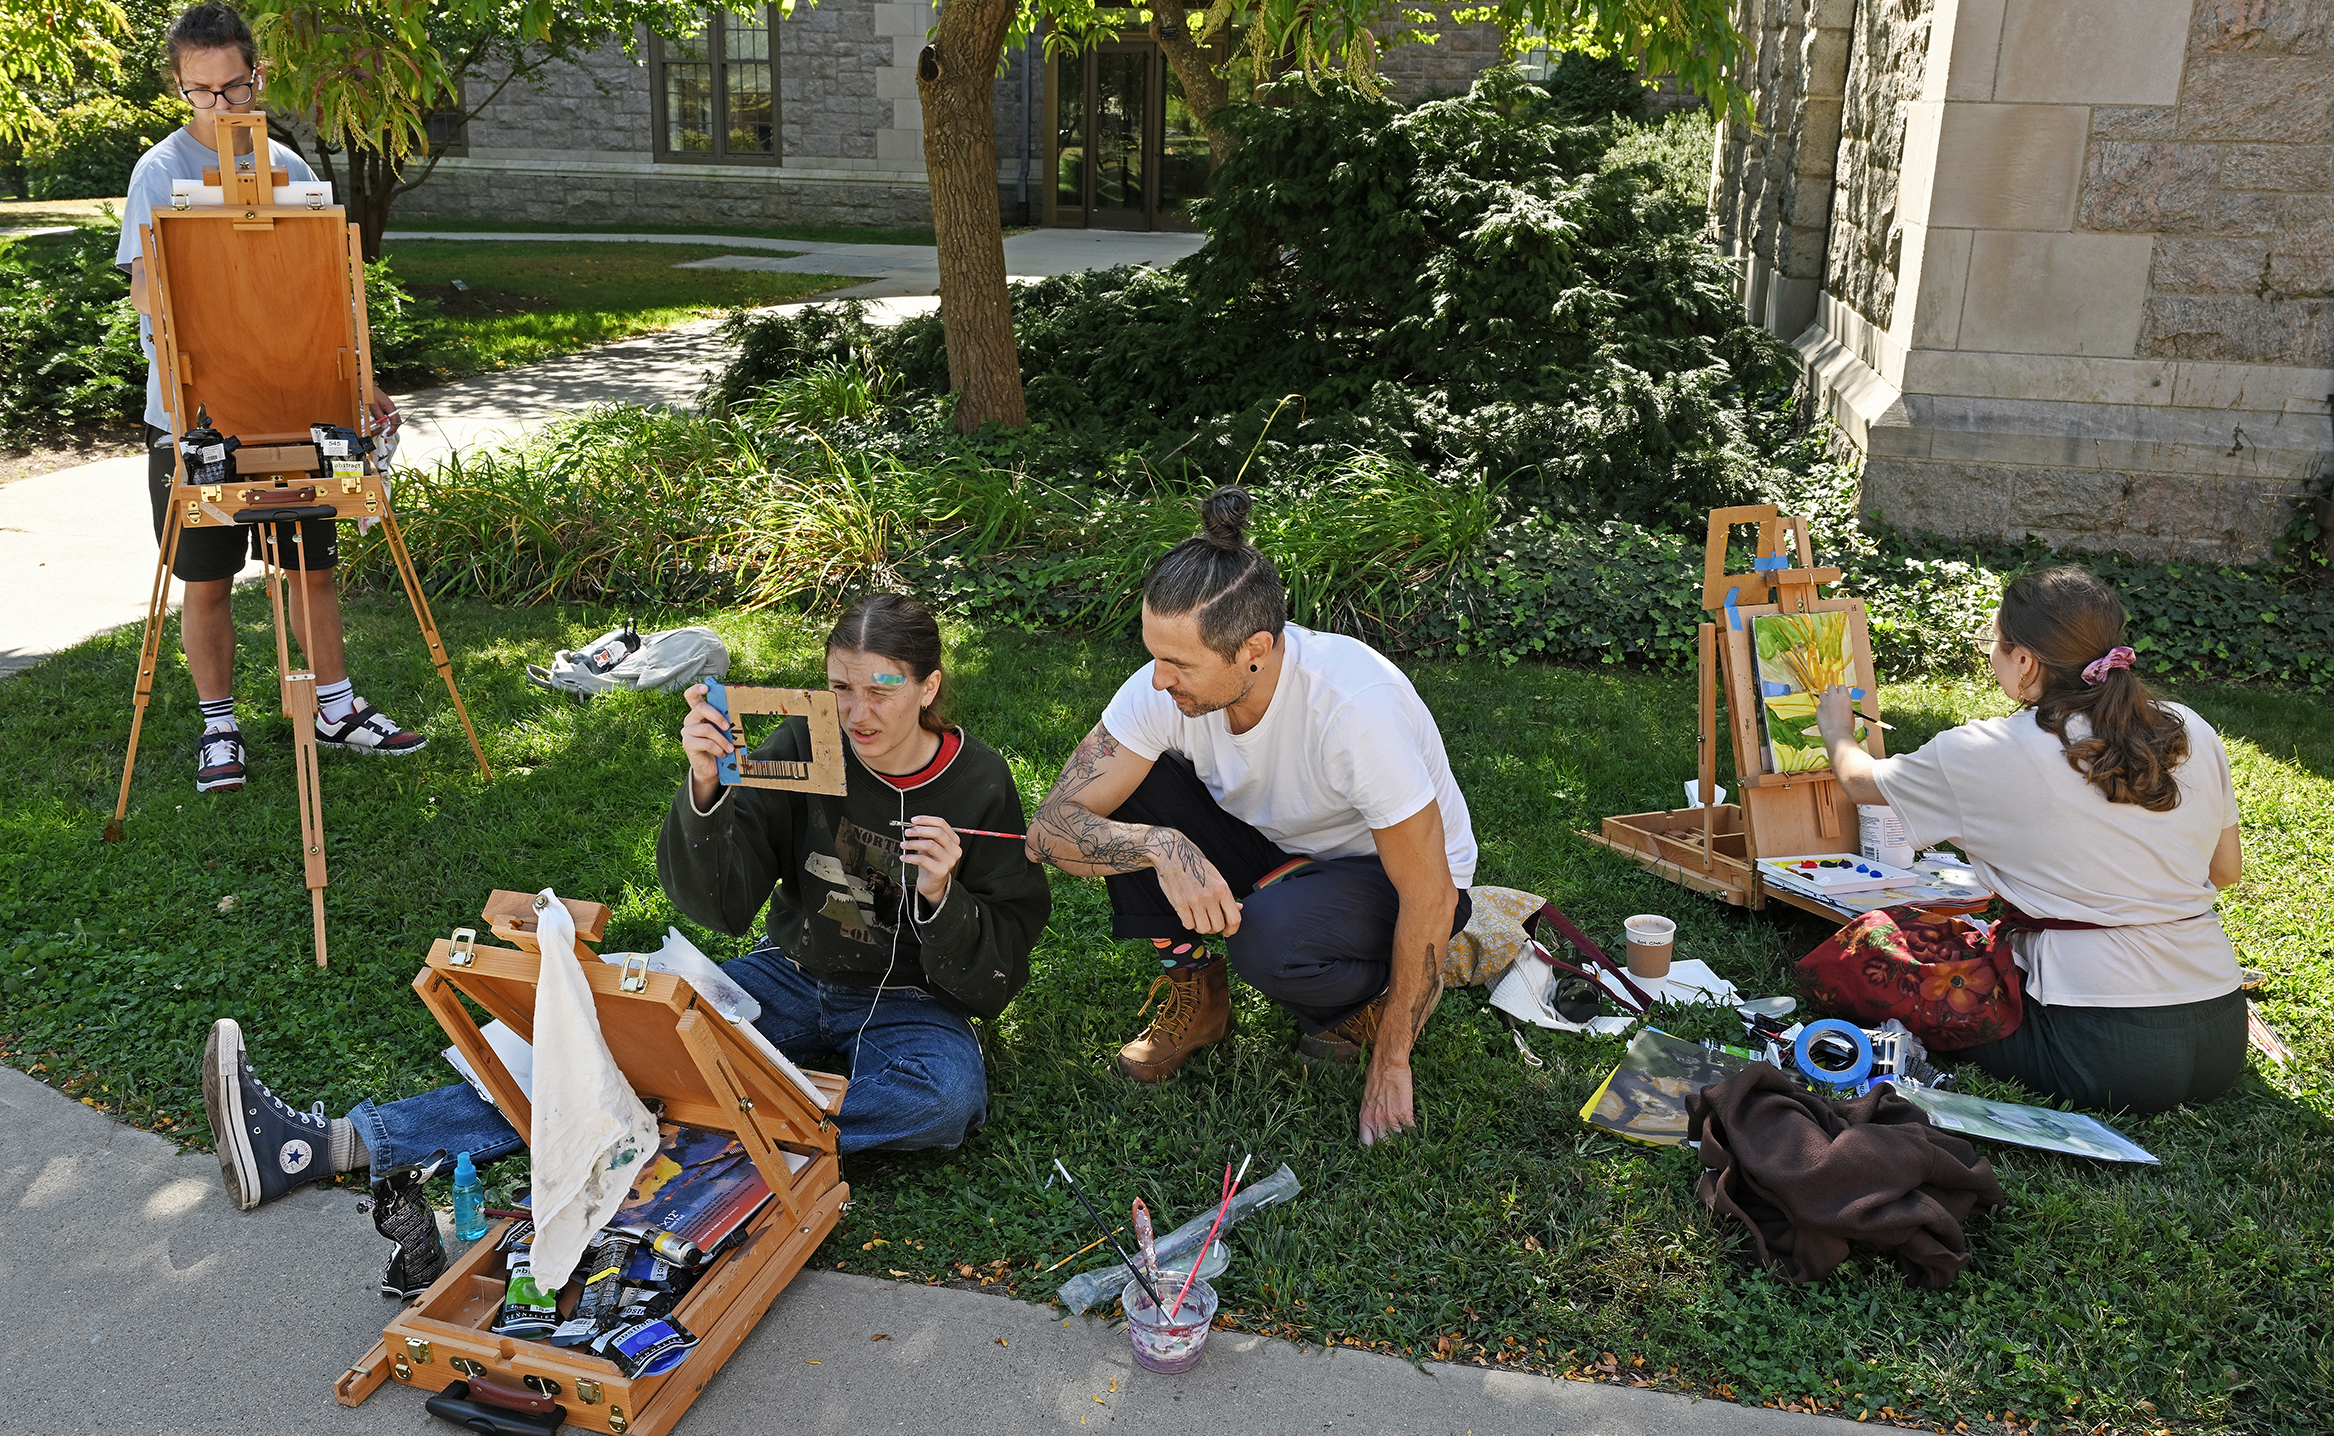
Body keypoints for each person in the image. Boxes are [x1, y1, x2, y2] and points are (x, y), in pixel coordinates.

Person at [200, 594, 1051, 1210]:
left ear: (929, 687)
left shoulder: (976, 781)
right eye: (841, 685)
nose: (858, 711)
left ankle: (688, 1114)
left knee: (942, 1100)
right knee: (601, 1041)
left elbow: (1007, 952)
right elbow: (718, 899)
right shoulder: (807, 740)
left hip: (912, 1003)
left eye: (884, 688)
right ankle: (335, 1142)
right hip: (794, 974)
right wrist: (707, 785)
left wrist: (943, 898)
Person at [1024, 486, 1476, 1147]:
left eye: (1178, 664)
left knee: (1268, 940)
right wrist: (1159, 846)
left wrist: (1393, 1060)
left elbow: (1430, 891)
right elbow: (1049, 829)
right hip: (1278, 846)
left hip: (1393, 875)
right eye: (1153, 654)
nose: (1156, 680)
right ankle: (1198, 996)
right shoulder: (1162, 690)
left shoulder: (1354, 708)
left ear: (1255, 649)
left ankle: (1374, 1009)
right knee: (1133, 803)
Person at [120, 4, 422, 798]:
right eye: (201, 92)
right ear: (180, 88)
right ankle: (220, 725)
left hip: (293, 406)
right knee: (208, 579)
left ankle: (333, 707)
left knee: (306, 569)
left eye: (234, 87)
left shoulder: (290, 168)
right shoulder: (159, 170)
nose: (221, 107)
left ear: (257, 76)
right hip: (196, 416)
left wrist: (359, 378)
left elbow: (324, 294)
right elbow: (147, 292)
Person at [1815, 567, 2246, 1115]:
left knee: (1874, 946)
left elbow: (1859, 782)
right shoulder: (2188, 725)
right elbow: (2226, 870)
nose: (1991, 655)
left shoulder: (1986, 750)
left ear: (2025, 660)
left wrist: (1837, 729)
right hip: (2220, 1032)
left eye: (1993, 642)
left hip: (2103, 1048)